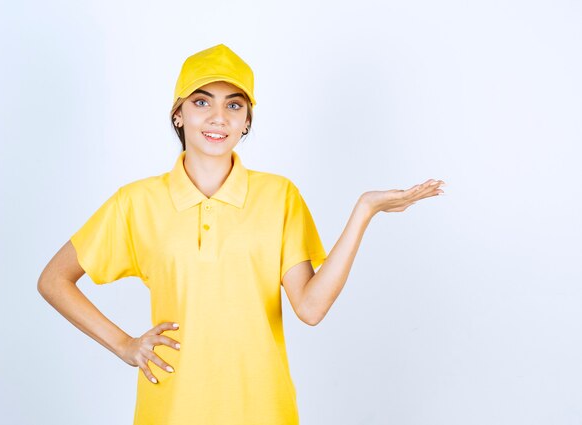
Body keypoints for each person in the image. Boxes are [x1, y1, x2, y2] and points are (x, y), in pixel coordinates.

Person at [37, 43, 445, 425]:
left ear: (246, 121)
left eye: (234, 105)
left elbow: (311, 308)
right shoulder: (136, 202)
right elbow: (54, 280)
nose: (219, 117)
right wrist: (125, 345)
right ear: (178, 114)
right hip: (171, 409)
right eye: (202, 102)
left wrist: (364, 210)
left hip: (263, 408)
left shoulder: (279, 196)